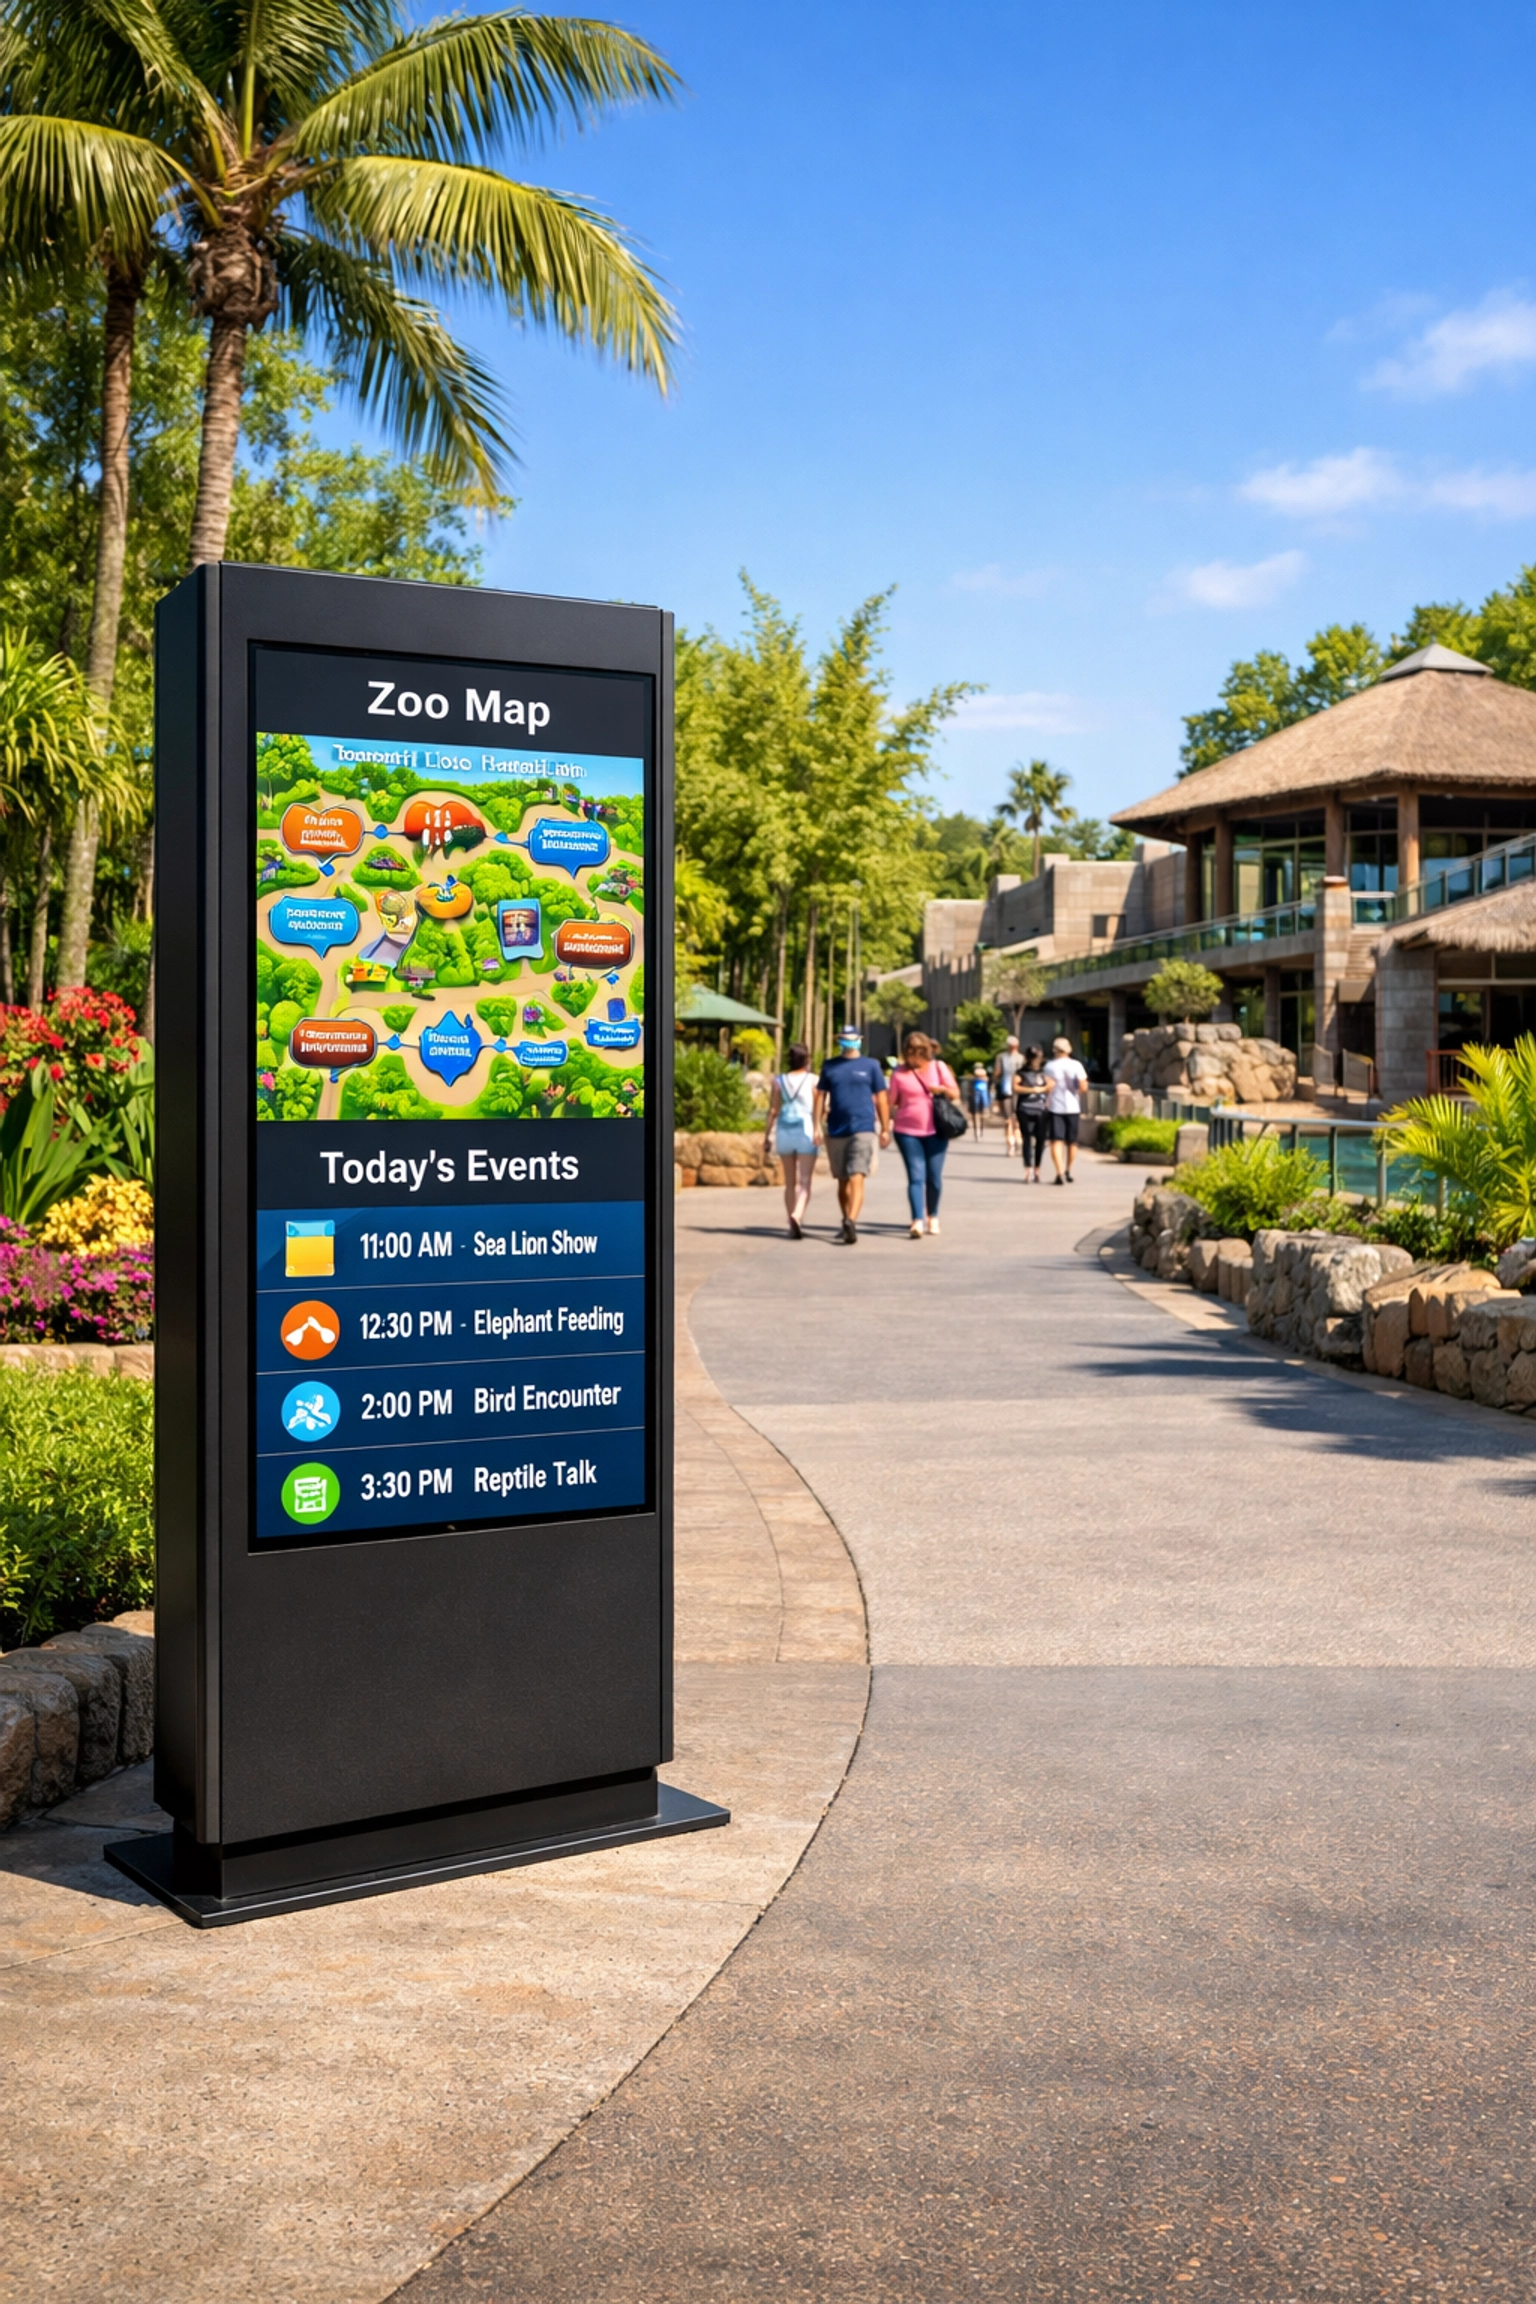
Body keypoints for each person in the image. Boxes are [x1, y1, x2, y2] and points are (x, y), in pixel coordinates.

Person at [815, 1027, 890, 1244]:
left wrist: (885, 1128)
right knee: (842, 1180)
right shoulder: (830, 1066)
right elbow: (820, 1095)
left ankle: (851, 1220)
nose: (848, 1042)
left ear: (860, 1040)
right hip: (837, 1129)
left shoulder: (871, 1066)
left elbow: (881, 1097)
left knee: (857, 1174)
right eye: (844, 1039)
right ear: (839, 1041)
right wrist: (815, 1125)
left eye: (852, 1039)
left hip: (863, 1128)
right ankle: (846, 1218)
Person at [887, 1030, 961, 1238]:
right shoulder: (899, 1073)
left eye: (918, 1052)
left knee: (934, 1177)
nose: (914, 1057)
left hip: (936, 1130)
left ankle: (933, 1215)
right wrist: (885, 1121)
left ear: (926, 1051)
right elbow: (891, 1101)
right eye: (911, 1053)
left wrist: (942, 1090)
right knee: (916, 1176)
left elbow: (955, 1092)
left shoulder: (939, 1067)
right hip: (907, 1131)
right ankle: (917, 1220)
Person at [762, 1041, 818, 1238]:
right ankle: (797, 1214)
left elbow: (773, 1110)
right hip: (806, 1132)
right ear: (807, 1059)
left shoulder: (779, 1081)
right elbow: (820, 1109)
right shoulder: (813, 1080)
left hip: (784, 1131)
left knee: (789, 1183)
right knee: (805, 1182)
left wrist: (767, 1136)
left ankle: (790, 1220)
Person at [1043, 1033, 1089, 1185]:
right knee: (1072, 1141)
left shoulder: (1049, 1066)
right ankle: (1069, 1169)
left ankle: (1059, 1171)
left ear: (1055, 1050)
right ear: (1069, 1049)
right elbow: (1083, 1087)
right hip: (1073, 1107)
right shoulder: (1076, 1065)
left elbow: (1047, 1087)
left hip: (1055, 1106)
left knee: (1056, 1140)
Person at [1016, 1043, 1049, 1181]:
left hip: (1041, 1109)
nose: (1036, 1060)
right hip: (1024, 1108)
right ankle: (1028, 1169)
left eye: (1038, 1057)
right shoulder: (1021, 1072)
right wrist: (1032, 1090)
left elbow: (1051, 1085)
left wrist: (1042, 1089)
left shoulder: (1044, 1072)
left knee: (1041, 1140)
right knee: (1027, 1139)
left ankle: (1037, 1169)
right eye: (1033, 1057)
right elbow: (1015, 1087)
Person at [994, 1035, 1024, 1154]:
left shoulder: (1004, 1057)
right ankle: (1014, 1142)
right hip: (1013, 1089)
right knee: (1012, 1118)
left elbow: (997, 1073)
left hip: (1012, 1089)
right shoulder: (1005, 1057)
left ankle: (1014, 1142)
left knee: (1012, 1118)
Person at [967, 1062, 990, 1140]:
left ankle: (981, 1130)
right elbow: (970, 1089)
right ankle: (976, 1131)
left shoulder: (985, 1078)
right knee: (975, 1115)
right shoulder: (973, 1079)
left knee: (982, 1115)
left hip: (983, 1096)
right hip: (975, 1096)